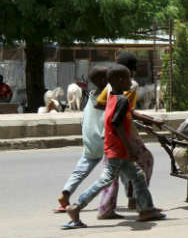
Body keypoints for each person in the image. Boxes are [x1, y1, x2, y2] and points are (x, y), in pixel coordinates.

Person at [64, 65, 165, 228]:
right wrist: (129, 148)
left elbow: (127, 116)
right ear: (119, 80)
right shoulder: (122, 100)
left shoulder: (113, 97)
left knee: (138, 176)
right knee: (106, 179)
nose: (130, 82)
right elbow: (117, 124)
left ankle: (147, 209)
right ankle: (76, 206)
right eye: (127, 79)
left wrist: (151, 121)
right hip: (118, 149)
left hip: (114, 147)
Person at [95, 52, 162, 219]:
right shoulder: (130, 85)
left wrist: (120, 115)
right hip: (124, 134)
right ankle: (139, 202)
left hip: (109, 133)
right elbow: (127, 111)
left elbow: (100, 104)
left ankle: (106, 208)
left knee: (112, 173)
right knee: (146, 161)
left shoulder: (110, 86)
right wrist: (149, 119)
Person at [54, 66, 108, 213]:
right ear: (104, 79)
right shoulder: (109, 93)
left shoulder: (91, 95)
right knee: (119, 173)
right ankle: (133, 199)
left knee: (80, 170)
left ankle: (65, 194)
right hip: (104, 140)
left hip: (89, 139)